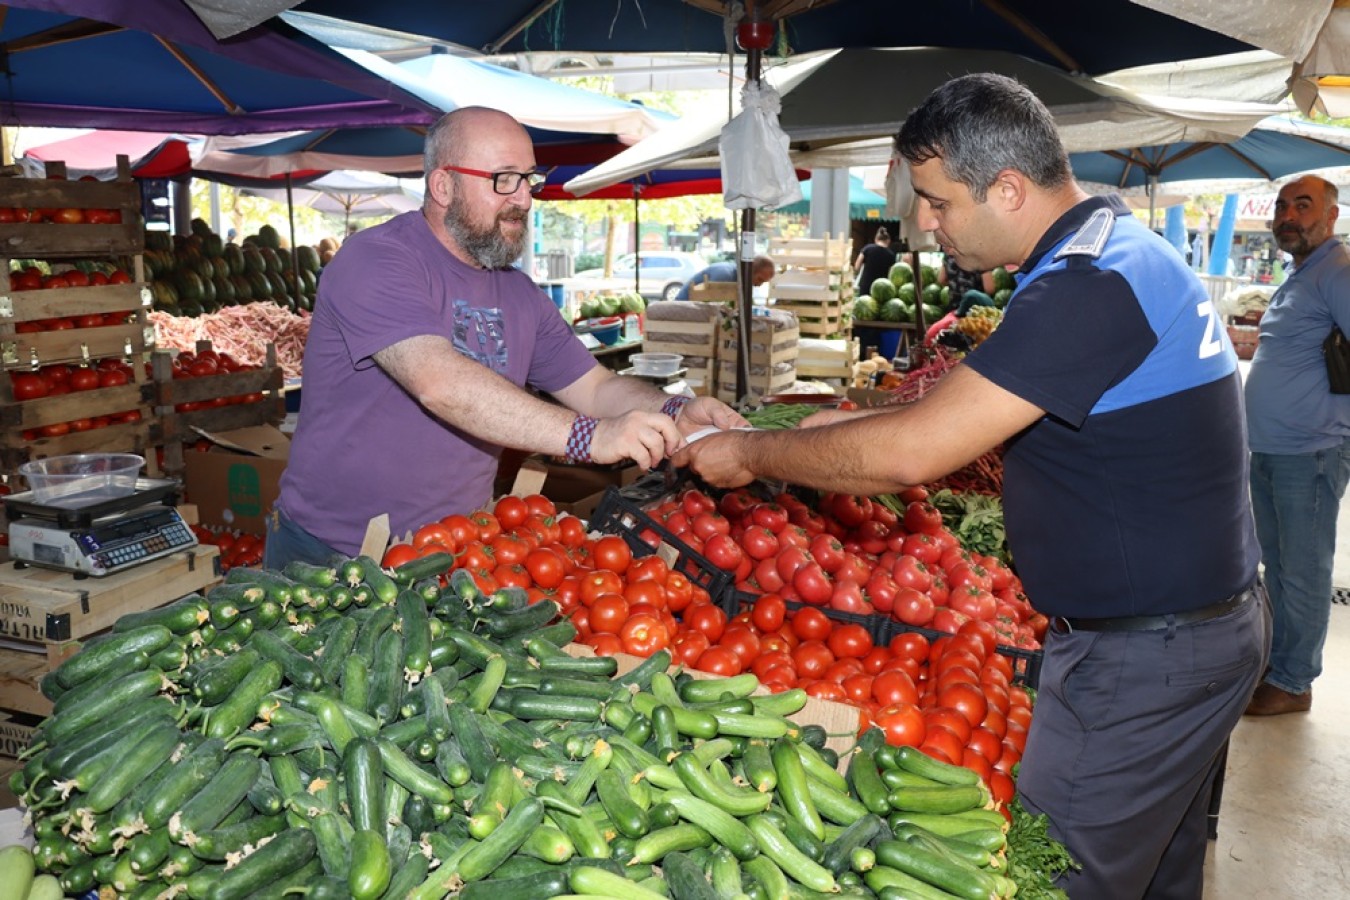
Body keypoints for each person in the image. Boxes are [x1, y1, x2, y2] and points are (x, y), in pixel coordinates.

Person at [674, 73, 1268, 899]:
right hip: (1195, 631)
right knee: (1158, 872)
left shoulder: (1086, 288)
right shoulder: (1121, 256)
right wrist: (847, 425)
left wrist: (749, 453)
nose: (924, 221)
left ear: (1009, 189)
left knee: (1059, 880)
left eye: (937, 200)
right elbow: (985, 410)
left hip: (1145, 658)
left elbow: (911, 456)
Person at [264, 106, 746, 568]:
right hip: (329, 555)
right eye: (503, 179)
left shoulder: (518, 293)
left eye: (529, 179)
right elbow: (439, 383)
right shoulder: (376, 260)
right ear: (443, 185)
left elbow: (595, 387)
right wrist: (590, 437)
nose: (524, 199)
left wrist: (672, 411)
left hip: (453, 552)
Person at [1242, 174, 1350, 716]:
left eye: (1302, 206)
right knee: (1279, 568)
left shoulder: (1338, 271)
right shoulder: (1303, 272)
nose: (1288, 215)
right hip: (1275, 450)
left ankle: (1294, 681)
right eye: (1282, 206)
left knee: (1303, 572)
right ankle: (1280, 666)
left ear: (1331, 215)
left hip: (1311, 452)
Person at [673, 255, 775, 299]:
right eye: (759, 279)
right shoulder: (725, 275)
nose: (759, 285)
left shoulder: (737, 280)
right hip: (684, 309)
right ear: (750, 271)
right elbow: (713, 305)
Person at [853, 226, 897, 294]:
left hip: (865, 287)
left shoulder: (867, 248)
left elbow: (857, 266)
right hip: (881, 289)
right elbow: (891, 275)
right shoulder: (891, 255)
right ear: (888, 241)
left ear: (876, 239)